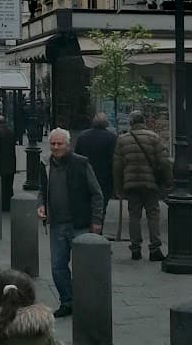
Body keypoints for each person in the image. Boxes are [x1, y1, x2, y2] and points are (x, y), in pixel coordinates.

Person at [38, 128, 103, 318]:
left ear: (68, 145)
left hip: (79, 223)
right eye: (53, 144)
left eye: (59, 144)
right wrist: (41, 205)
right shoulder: (46, 164)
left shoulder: (81, 164)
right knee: (58, 267)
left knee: (85, 267)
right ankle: (68, 301)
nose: (56, 147)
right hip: (57, 223)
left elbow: (96, 194)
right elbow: (43, 189)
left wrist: (96, 221)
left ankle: (88, 302)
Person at [112, 111, 173, 261]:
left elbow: (117, 166)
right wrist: (169, 181)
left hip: (131, 183)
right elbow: (164, 162)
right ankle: (155, 248)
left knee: (134, 215)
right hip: (150, 183)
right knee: (153, 214)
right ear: (143, 121)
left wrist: (118, 187)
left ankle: (135, 248)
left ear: (131, 123)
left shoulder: (122, 140)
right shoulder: (153, 137)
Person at [75, 112, 118, 219]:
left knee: (86, 203)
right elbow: (114, 159)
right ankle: (98, 226)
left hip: (85, 176)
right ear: (106, 123)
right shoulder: (112, 138)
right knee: (101, 206)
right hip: (104, 178)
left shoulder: (83, 136)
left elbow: (76, 156)